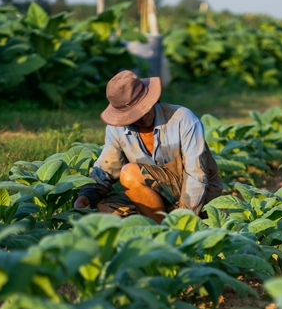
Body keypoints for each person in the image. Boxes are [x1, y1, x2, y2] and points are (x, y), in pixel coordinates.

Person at [73, 70, 223, 223]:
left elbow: (196, 175)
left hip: (195, 195)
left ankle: (165, 231)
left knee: (130, 174)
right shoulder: (117, 130)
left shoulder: (183, 119)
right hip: (155, 199)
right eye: (134, 116)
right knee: (97, 212)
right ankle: (156, 222)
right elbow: (107, 168)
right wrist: (87, 195)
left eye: (144, 109)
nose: (142, 117)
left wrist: (183, 218)